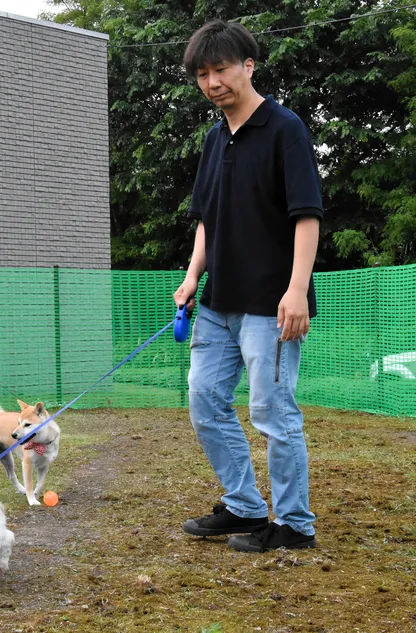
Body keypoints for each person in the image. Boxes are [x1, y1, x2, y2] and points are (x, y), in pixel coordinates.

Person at [174, 20, 323, 552]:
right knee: (205, 400)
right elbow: (206, 220)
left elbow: (307, 216)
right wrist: (193, 276)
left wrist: (297, 289)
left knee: (272, 412)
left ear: (248, 66)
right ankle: (243, 507)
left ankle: (294, 525)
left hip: (271, 303)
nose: (212, 82)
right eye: (202, 74)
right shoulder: (215, 139)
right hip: (218, 303)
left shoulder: (285, 129)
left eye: (221, 69)